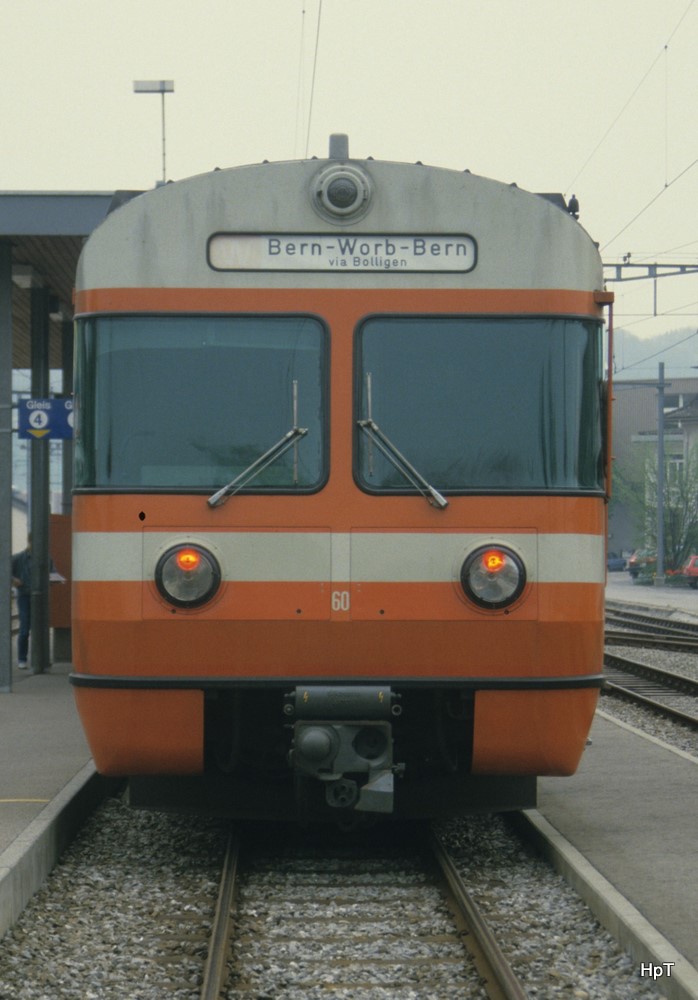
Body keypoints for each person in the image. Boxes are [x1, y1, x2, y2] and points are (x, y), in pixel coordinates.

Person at [11, 534, 65, 670]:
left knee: (40, 628)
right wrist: (13, 581)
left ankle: (39, 659)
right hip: (24, 595)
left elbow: (53, 571)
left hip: (40, 596)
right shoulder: (18, 558)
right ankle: (22, 659)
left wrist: (54, 579)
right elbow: (5, 571)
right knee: (24, 628)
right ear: (29, 542)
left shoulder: (46, 558)